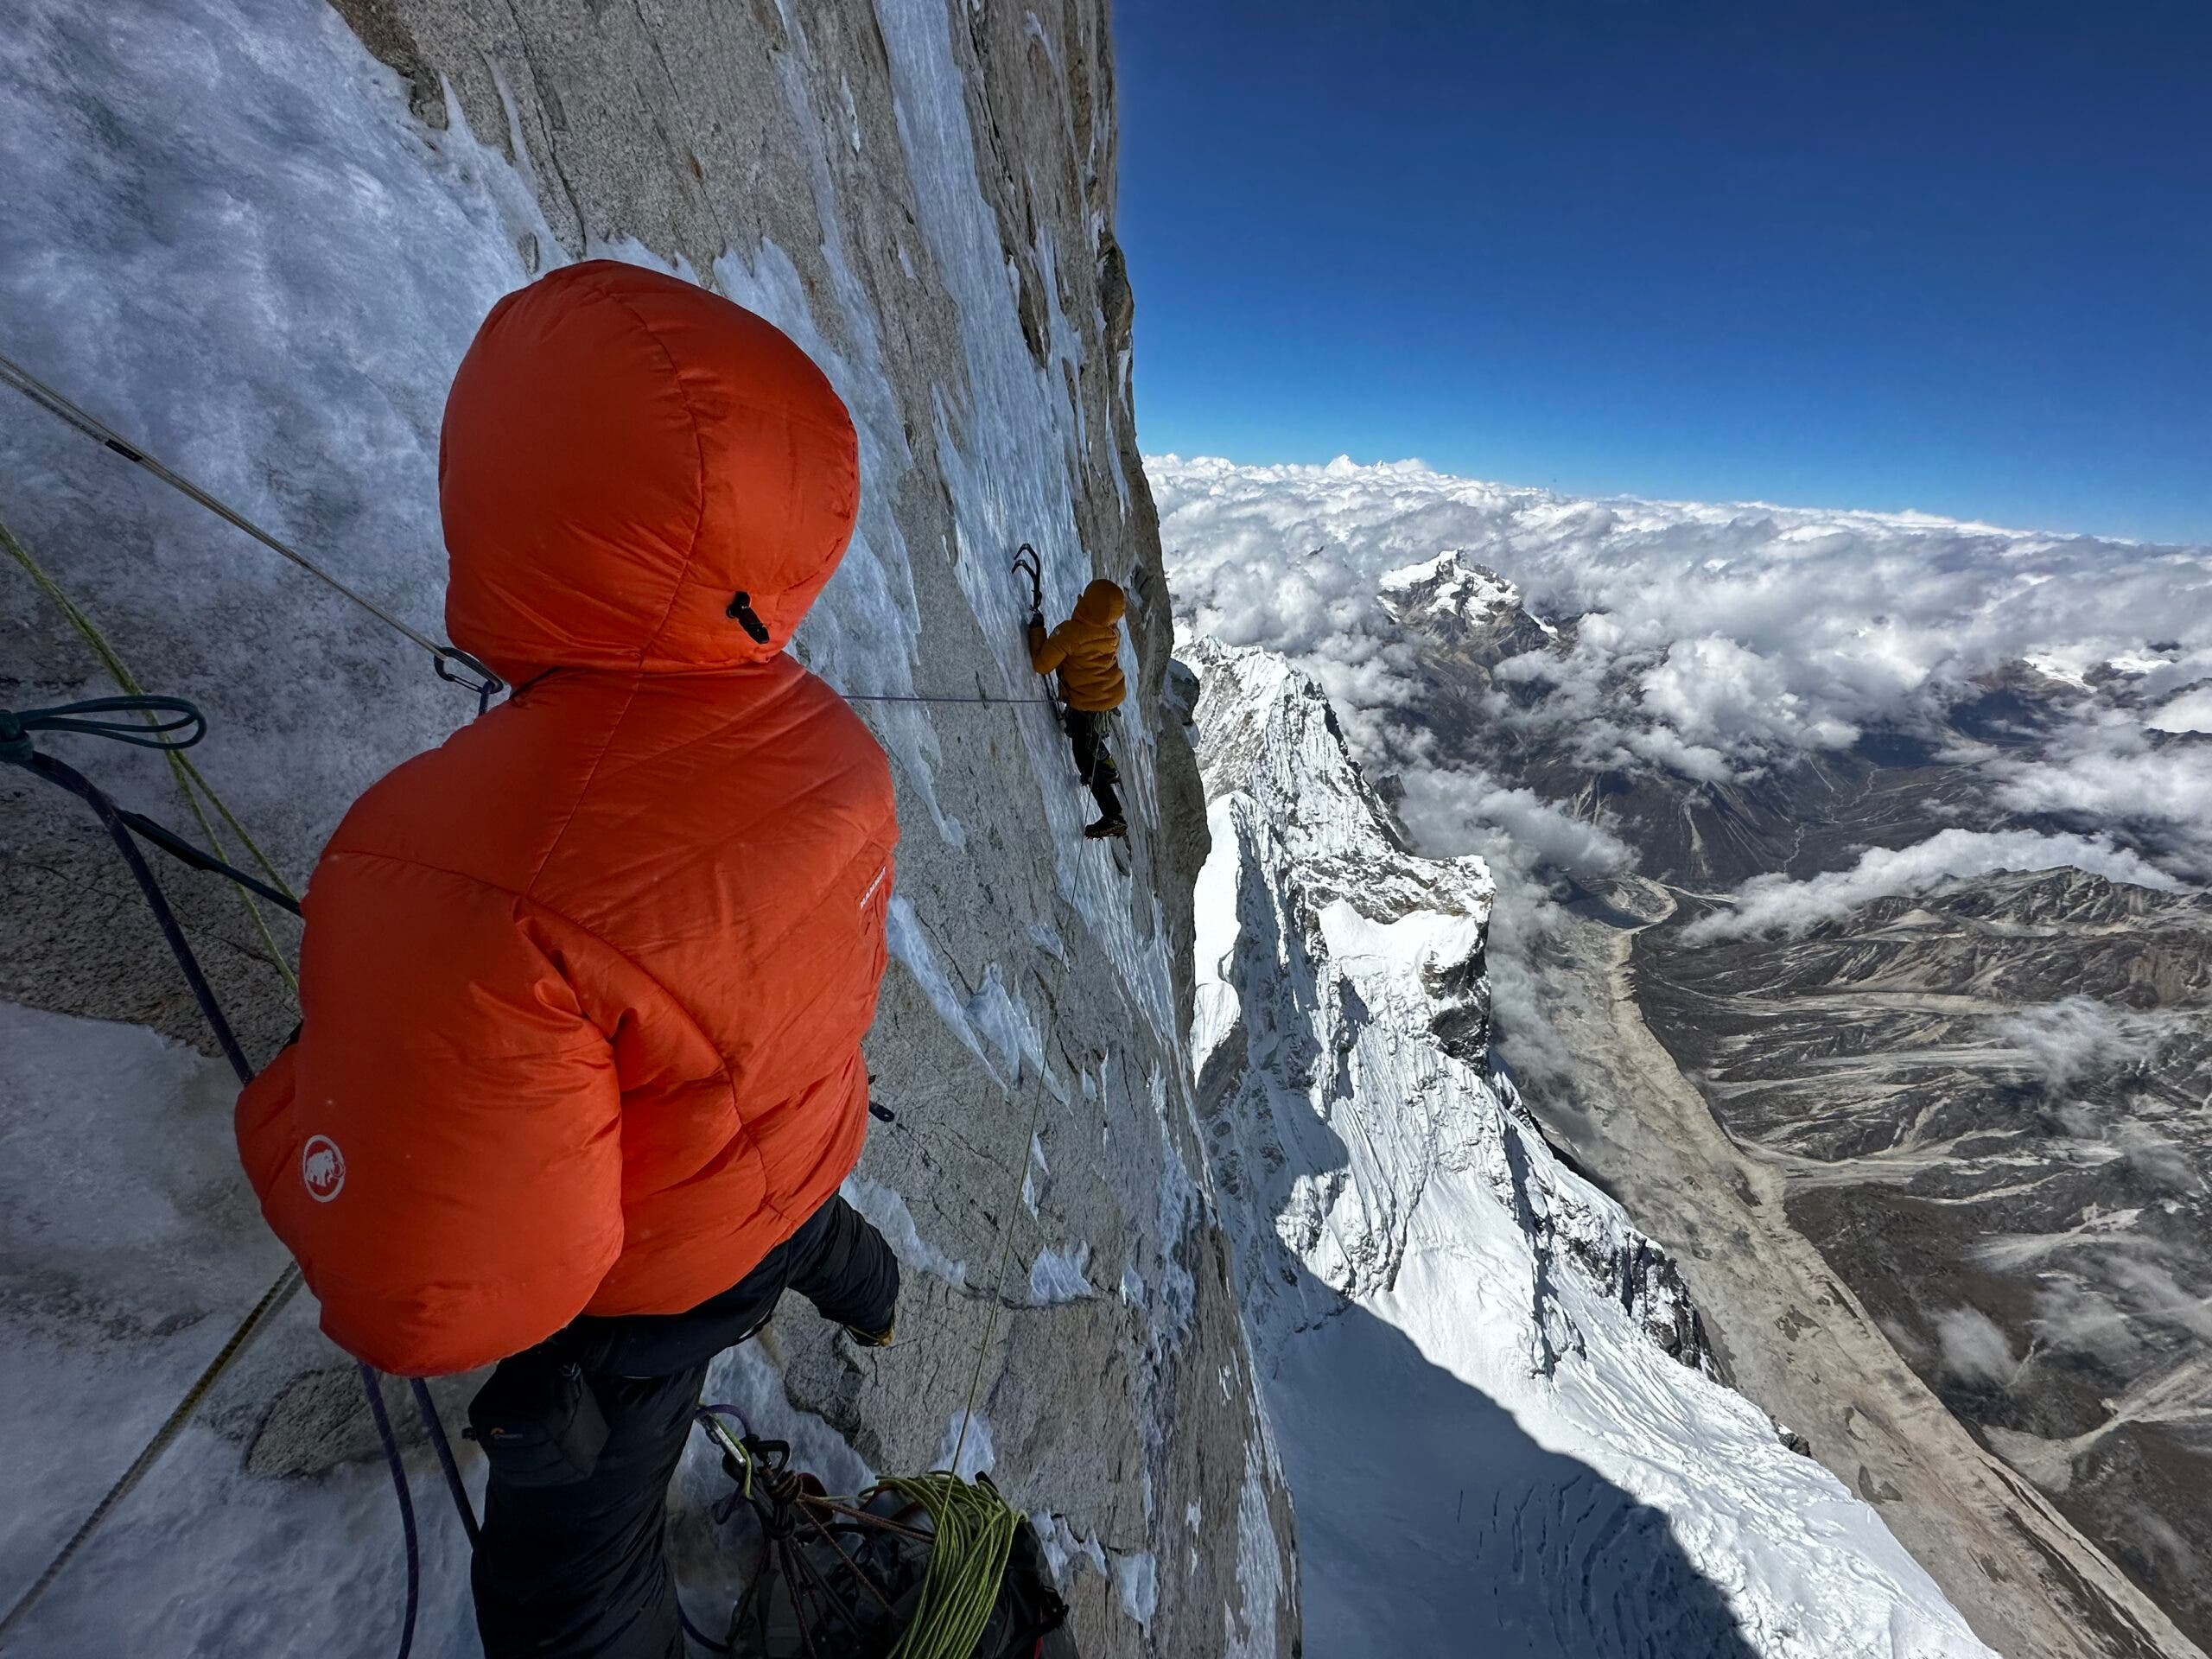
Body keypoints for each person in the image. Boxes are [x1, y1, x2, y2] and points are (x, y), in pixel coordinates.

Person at [233, 260, 903, 1659]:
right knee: (796, 1238)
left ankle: (833, 1279)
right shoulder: (829, 742)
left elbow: (438, 1296)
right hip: (803, 1158)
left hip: (663, 1284)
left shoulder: (460, 869)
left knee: (563, 1612)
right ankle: (863, 1286)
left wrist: (301, 1101)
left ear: (513, 503)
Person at [1027, 577, 1129, 839]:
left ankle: (1113, 814)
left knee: (1084, 756)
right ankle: (1106, 767)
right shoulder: (1111, 633)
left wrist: (1037, 631)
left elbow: (1042, 664)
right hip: (1105, 696)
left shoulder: (1071, 633)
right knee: (1086, 734)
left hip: (1086, 701)